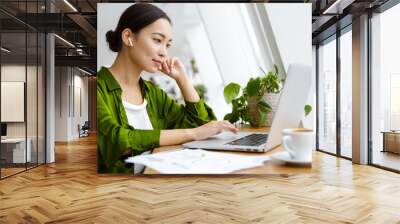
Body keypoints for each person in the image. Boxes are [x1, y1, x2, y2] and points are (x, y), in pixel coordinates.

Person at [97, 3, 238, 174]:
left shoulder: (152, 93)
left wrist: (182, 79)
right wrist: (192, 133)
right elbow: (119, 143)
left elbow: (203, 126)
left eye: (167, 45)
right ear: (128, 37)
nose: (164, 52)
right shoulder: (98, 89)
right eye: (157, 40)